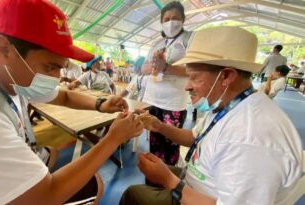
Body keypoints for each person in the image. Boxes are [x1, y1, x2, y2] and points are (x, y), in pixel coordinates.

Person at [0, 0, 144, 204]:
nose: (57, 78)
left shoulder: (3, 77)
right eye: (50, 68)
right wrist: (112, 139)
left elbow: (63, 96)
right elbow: (44, 197)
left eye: (61, 68)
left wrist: (100, 104)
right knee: (94, 184)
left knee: (52, 152)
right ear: (4, 50)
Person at [120, 27, 302, 205]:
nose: (187, 87)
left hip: (201, 194)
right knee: (152, 178)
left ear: (226, 76)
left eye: (194, 77)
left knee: (133, 194)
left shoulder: (251, 138)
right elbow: (194, 137)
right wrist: (158, 125)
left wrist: (169, 181)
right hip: (201, 180)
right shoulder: (232, 105)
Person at [140, 1, 193, 165]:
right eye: (167, 19)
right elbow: (143, 68)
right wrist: (155, 66)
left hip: (173, 102)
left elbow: (193, 68)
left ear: (183, 20)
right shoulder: (157, 43)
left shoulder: (190, 38)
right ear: (162, 22)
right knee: (155, 140)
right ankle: (154, 177)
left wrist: (167, 68)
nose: (171, 22)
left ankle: (168, 178)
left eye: (175, 18)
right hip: (152, 99)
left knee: (170, 142)